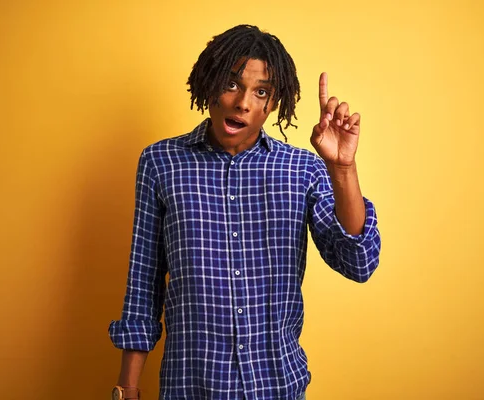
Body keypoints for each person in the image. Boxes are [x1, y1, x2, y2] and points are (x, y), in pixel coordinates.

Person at [108, 24, 381, 400]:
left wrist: (343, 169)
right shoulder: (161, 163)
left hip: (277, 388)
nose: (243, 103)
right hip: (191, 389)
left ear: (273, 103)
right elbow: (143, 285)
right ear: (209, 83)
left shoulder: (303, 170)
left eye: (261, 92)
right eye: (232, 84)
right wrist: (128, 388)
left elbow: (359, 262)